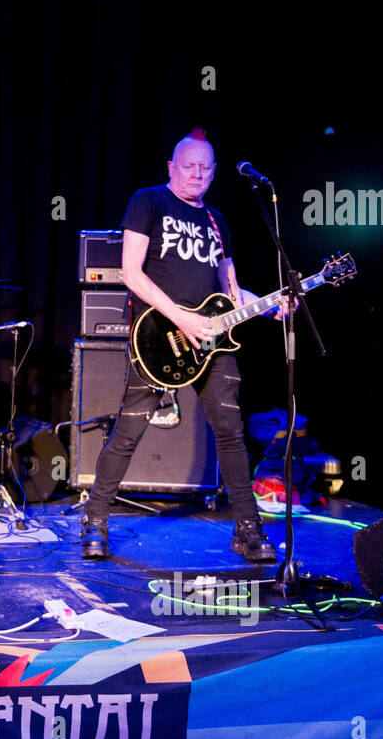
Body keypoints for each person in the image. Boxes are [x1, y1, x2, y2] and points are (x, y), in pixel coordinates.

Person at [81, 130, 282, 562]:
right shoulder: (148, 201)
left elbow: (231, 290)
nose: (196, 174)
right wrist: (181, 317)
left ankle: (248, 529)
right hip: (158, 336)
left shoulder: (217, 221)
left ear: (213, 172)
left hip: (213, 341)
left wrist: (268, 306)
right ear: (171, 167)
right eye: (188, 165)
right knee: (129, 429)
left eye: (205, 168)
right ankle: (95, 518)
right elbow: (131, 274)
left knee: (231, 432)